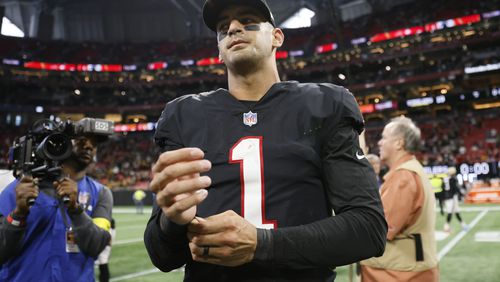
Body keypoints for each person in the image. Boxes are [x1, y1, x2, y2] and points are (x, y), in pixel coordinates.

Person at [144, 0, 387, 281]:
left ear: (276, 37)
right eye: (224, 28)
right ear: (219, 52)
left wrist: (262, 244)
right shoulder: (183, 115)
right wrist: (173, 221)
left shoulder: (324, 104)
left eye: (248, 22)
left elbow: (368, 230)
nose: (234, 28)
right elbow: (162, 256)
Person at [0, 134, 113, 281]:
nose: (89, 146)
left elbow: (96, 246)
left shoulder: (101, 193)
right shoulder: (19, 189)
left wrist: (76, 209)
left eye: (94, 143)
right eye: (81, 140)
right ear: (61, 142)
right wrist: (18, 214)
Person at [361, 116, 438, 282]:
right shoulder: (410, 170)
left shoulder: (403, 176)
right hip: (405, 269)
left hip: (398, 273)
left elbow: (381, 229)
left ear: (399, 143)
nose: (379, 142)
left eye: (384, 137)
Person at [443, 167, 468, 232]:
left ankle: (463, 224)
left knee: (455, 211)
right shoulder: (453, 179)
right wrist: (462, 195)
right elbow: (456, 188)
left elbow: (443, 188)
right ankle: (446, 226)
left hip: (447, 197)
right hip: (452, 197)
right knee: (451, 212)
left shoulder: (445, 179)